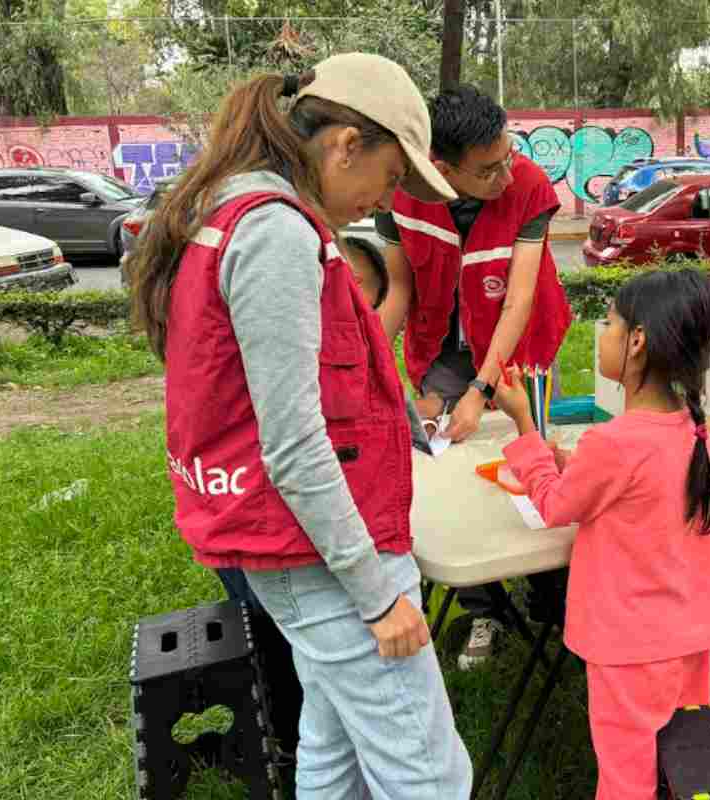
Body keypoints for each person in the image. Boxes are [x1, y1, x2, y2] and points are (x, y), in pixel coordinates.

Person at [128, 54, 471, 799]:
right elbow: (292, 441)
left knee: (333, 739)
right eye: (389, 177)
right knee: (431, 775)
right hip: (317, 554)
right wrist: (376, 594)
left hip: (291, 545)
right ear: (345, 144)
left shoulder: (229, 212)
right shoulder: (277, 233)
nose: (383, 200)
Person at [493, 268, 710, 800]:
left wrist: (525, 430)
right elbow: (640, 488)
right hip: (691, 632)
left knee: (629, 776)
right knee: (682, 764)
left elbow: (556, 505)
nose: (601, 333)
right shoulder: (691, 426)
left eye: (608, 323)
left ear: (638, 341)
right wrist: (572, 462)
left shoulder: (614, 443)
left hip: (631, 644)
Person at [376, 84, 572, 670]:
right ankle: (482, 607)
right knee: (448, 476)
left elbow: (519, 300)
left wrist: (483, 390)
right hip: (439, 349)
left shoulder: (529, 185)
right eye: (488, 169)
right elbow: (399, 288)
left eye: (508, 156)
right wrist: (377, 371)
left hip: (520, 352)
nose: (506, 175)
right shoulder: (401, 196)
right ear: (443, 168)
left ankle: (550, 598)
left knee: (531, 462)